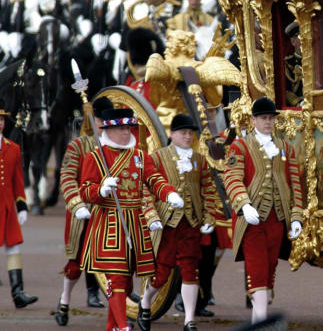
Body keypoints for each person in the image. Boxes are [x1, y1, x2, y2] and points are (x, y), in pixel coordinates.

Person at [79, 107, 184, 331]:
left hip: (135, 224)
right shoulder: (96, 157)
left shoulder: (139, 156)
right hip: (109, 223)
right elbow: (85, 191)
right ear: (109, 130)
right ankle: (122, 326)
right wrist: (102, 189)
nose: (126, 132)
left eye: (128, 127)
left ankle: (112, 326)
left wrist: (169, 193)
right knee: (116, 278)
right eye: (120, 128)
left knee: (125, 282)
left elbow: (154, 179)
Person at [222, 97, 304, 323]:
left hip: (277, 220)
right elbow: (232, 178)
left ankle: (262, 318)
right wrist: (244, 204)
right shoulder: (240, 146)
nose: (268, 122)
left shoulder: (286, 147)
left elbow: (295, 185)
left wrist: (296, 217)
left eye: (271, 118)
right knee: (257, 269)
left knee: (270, 268)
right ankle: (260, 322)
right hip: (253, 220)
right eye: (264, 118)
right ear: (254, 120)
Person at [138, 114, 216, 331]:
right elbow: (146, 189)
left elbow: (209, 190)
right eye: (183, 133)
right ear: (172, 134)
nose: (188, 137)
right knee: (162, 272)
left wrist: (209, 217)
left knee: (191, 270)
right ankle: (145, 302)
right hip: (167, 224)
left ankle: (189, 320)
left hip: (191, 223)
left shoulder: (199, 160)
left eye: (191, 133)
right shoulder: (158, 157)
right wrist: (152, 216)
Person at [55, 96, 114, 326]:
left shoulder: (118, 144)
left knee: (115, 263)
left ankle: (119, 308)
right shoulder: (79, 145)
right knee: (75, 264)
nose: (103, 124)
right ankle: (65, 300)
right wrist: (77, 204)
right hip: (84, 211)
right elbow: (68, 176)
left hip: (108, 212)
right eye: (100, 120)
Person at [0, 100, 37, 308]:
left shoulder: (12, 148)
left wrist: (21, 206)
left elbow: (17, 180)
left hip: (6, 207)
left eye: (2, 120)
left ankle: (18, 293)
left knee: (13, 247)